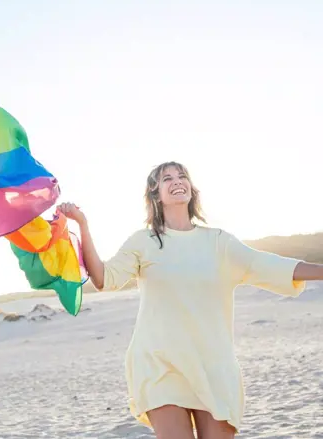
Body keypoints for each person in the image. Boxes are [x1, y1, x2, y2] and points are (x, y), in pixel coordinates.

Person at [58, 161, 323, 439]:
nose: (177, 181)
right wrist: (82, 225)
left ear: (191, 189)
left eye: (182, 176)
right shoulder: (143, 242)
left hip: (213, 365)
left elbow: (267, 263)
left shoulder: (219, 242)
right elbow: (103, 278)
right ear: (155, 194)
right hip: (160, 363)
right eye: (167, 178)